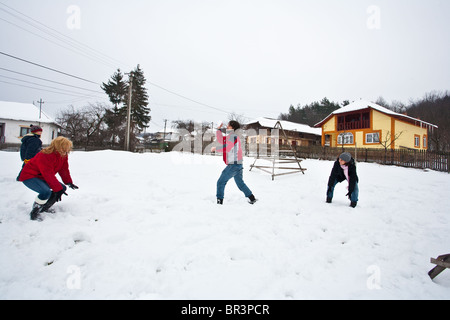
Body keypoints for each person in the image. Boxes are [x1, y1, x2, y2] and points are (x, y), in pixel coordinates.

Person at [17, 136, 79, 221]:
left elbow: (64, 169)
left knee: (62, 188)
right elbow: (48, 173)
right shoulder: (45, 155)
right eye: (64, 148)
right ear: (58, 146)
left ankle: (44, 208)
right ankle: (35, 212)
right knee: (45, 192)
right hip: (29, 176)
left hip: (41, 177)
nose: (66, 150)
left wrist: (68, 182)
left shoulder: (63, 155)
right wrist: (57, 188)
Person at [211, 121, 257, 205]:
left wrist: (216, 149)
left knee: (221, 182)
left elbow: (227, 148)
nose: (227, 126)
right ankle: (252, 198)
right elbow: (221, 140)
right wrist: (218, 129)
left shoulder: (233, 136)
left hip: (234, 165)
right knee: (240, 183)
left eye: (228, 125)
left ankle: (219, 202)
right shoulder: (231, 136)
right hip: (238, 164)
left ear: (232, 127)